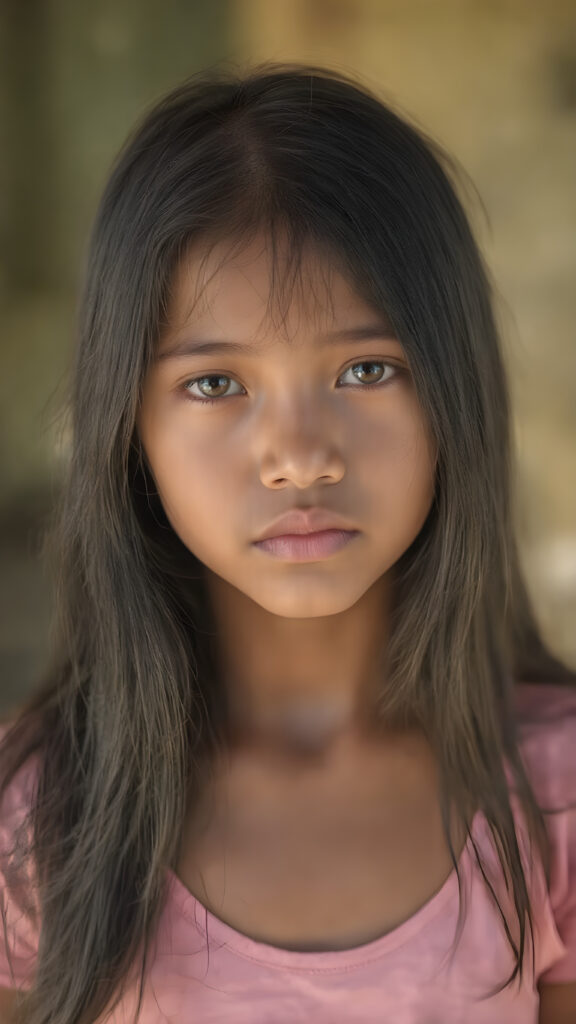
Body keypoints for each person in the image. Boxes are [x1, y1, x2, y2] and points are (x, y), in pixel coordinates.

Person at [0, 61, 575, 1024]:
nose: (300, 458)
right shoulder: (36, 818)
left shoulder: (553, 799)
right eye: (217, 384)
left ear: (455, 393)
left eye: (365, 367)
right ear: (127, 429)